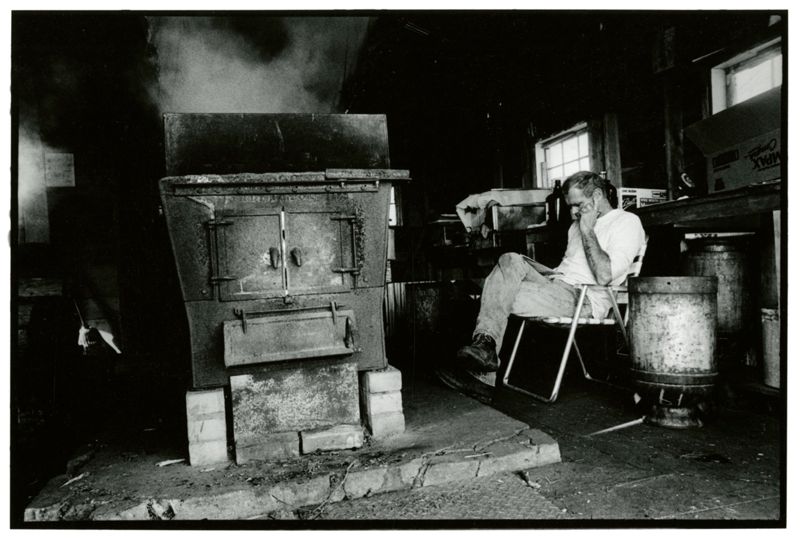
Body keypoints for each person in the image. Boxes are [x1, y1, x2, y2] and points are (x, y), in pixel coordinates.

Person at [437, 170, 646, 401]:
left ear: (597, 195)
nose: (573, 212)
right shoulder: (575, 226)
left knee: (498, 292)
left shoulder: (626, 222)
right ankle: (485, 349)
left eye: (578, 204)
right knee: (509, 259)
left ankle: (483, 374)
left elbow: (605, 276)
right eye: (570, 206)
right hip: (556, 282)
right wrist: (580, 229)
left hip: (583, 298)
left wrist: (588, 230)